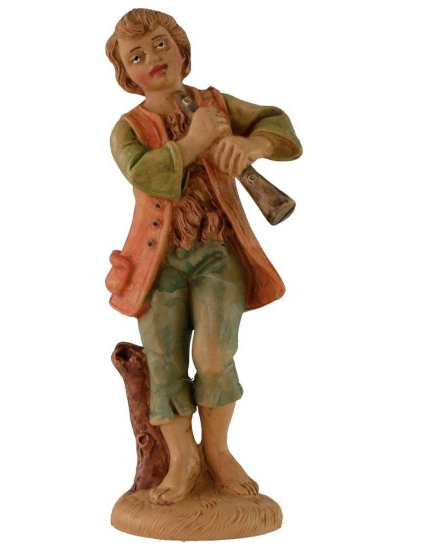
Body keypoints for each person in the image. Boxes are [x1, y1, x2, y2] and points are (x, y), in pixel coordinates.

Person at [105, 8, 302, 505]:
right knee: (164, 362)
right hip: (158, 263)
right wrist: (192, 143)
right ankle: (183, 458)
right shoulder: (127, 129)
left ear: (181, 49)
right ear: (125, 74)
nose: (152, 58)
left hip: (217, 250)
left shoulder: (215, 104)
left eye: (160, 45)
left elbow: (279, 124)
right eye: (136, 56)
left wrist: (252, 144)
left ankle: (217, 451)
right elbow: (146, 173)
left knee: (215, 354)